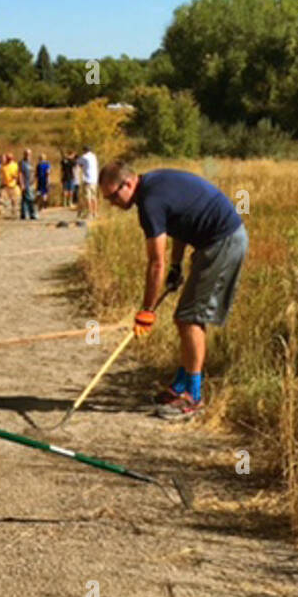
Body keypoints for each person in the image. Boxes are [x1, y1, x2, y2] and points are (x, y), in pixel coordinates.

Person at [100, 161, 249, 421]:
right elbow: (181, 224)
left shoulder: (149, 202)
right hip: (214, 241)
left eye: (113, 196)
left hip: (223, 241)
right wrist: (177, 265)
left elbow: (155, 263)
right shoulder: (153, 186)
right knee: (184, 317)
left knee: (189, 318)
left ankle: (193, 397)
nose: (112, 203)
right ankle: (180, 386)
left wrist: (147, 311)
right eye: (107, 199)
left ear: (128, 183)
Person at [77, 143, 99, 221]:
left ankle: (90, 213)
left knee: (87, 197)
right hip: (94, 180)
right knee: (94, 197)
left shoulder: (84, 157)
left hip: (87, 180)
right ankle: (95, 213)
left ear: (84, 150)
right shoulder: (94, 156)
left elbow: (78, 163)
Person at [18, 148, 38, 221]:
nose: (28, 155)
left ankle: (24, 214)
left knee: (25, 199)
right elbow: (20, 174)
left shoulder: (32, 163)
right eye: (26, 154)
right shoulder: (22, 163)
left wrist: (35, 182)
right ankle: (32, 214)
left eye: (29, 154)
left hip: (31, 183)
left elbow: (34, 173)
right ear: (24, 154)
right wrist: (22, 184)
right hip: (25, 183)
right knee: (30, 199)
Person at [0, 152, 19, 219]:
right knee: (1, 200)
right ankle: (2, 213)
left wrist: (15, 177)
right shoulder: (3, 166)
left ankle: (14, 214)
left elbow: (17, 174)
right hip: (5, 186)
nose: (8, 159)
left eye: (10, 158)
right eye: (7, 158)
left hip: (13, 185)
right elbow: (1, 175)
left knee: (14, 201)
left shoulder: (15, 165)